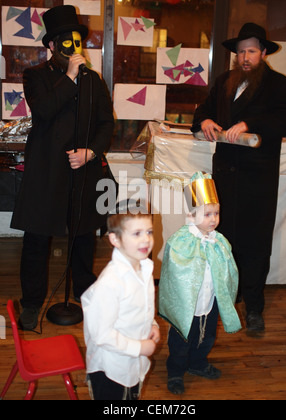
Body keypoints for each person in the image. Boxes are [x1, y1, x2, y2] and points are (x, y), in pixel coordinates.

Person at [10, 5, 115, 330]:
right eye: (64, 42)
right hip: (46, 173)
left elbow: (105, 124)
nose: (73, 48)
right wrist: (69, 77)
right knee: (37, 242)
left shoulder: (94, 80)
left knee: (83, 240)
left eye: (76, 42)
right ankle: (31, 304)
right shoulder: (36, 76)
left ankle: (86, 297)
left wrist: (90, 152)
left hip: (82, 169)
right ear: (51, 46)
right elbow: (43, 111)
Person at [192, 23, 286, 333]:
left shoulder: (280, 85)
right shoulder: (225, 81)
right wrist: (207, 119)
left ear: (264, 53)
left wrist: (248, 122)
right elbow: (203, 112)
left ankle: (253, 306)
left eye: (251, 50)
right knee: (222, 239)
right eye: (241, 52)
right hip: (224, 177)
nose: (245, 57)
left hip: (257, 180)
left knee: (254, 245)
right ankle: (225, 297)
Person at [159, 172, 241, 395]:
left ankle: (197, 362)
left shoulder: (219, 240)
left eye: (216, 213)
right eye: (207, 214)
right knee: (182, 339)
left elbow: (228, 269)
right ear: (191, 214)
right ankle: (175, 370)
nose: (213, 219)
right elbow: (173, 270)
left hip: (210, 300)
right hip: (188, 303)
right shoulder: (182, 240)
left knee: (206, 336)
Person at [81, 200, 160, 400]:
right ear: (115, 239)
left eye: (149, 232)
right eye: (136, 233)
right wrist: (139, 347)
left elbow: (143, 306)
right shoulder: (110, 283)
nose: (146, 240)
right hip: (111, 370)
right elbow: (101, 334)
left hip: (135, 365)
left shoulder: (145, 268)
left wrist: (153, 323)